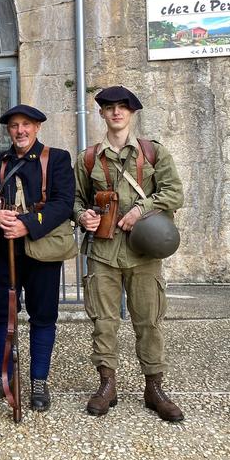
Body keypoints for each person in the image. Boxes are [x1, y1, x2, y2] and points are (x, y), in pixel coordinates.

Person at [74, 85, 185, 422]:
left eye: (123, 107)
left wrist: (142, 208)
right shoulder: (89, 157)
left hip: (144, 253)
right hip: (103, 253)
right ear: (102, 114)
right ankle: (107, 385)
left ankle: (154, 387)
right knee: (103, 323)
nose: (116, 113)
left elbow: (174, 193)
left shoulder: (153, 153)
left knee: (149, 321)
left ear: (133, 113)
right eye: (109, 108)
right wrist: (83, 216)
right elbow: (76, 199)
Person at [0, 105, 75, 411]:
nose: (20, 131)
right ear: (9, 130)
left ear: (37, 127)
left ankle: (39, 381)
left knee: (43, 317)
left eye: (26, 125)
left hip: (42, 252)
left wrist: (26, 224)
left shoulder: (56, 159)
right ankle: (2, 376)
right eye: (14, 125)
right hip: (6, 253)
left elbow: (63, 203)